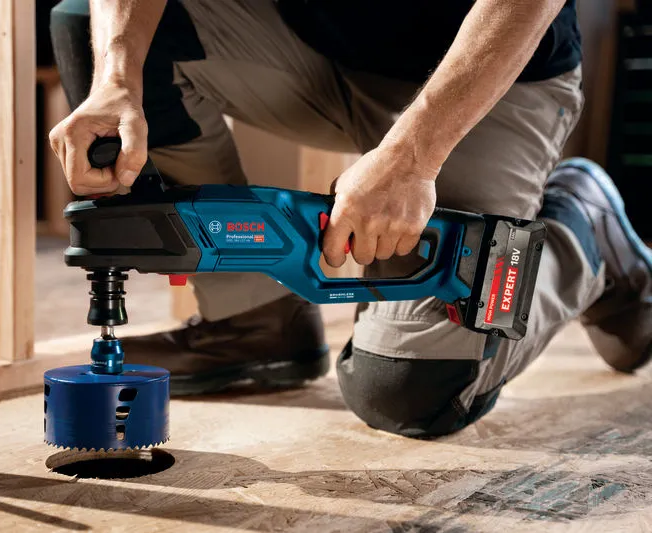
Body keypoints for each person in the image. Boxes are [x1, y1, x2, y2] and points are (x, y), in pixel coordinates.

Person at [48, 0, 652, 437]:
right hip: (314, 50)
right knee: (91, 22)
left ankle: (584, 230)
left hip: (489, 72)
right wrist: (116, 79)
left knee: (407, 390)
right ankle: (252, 321)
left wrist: (411, 156)